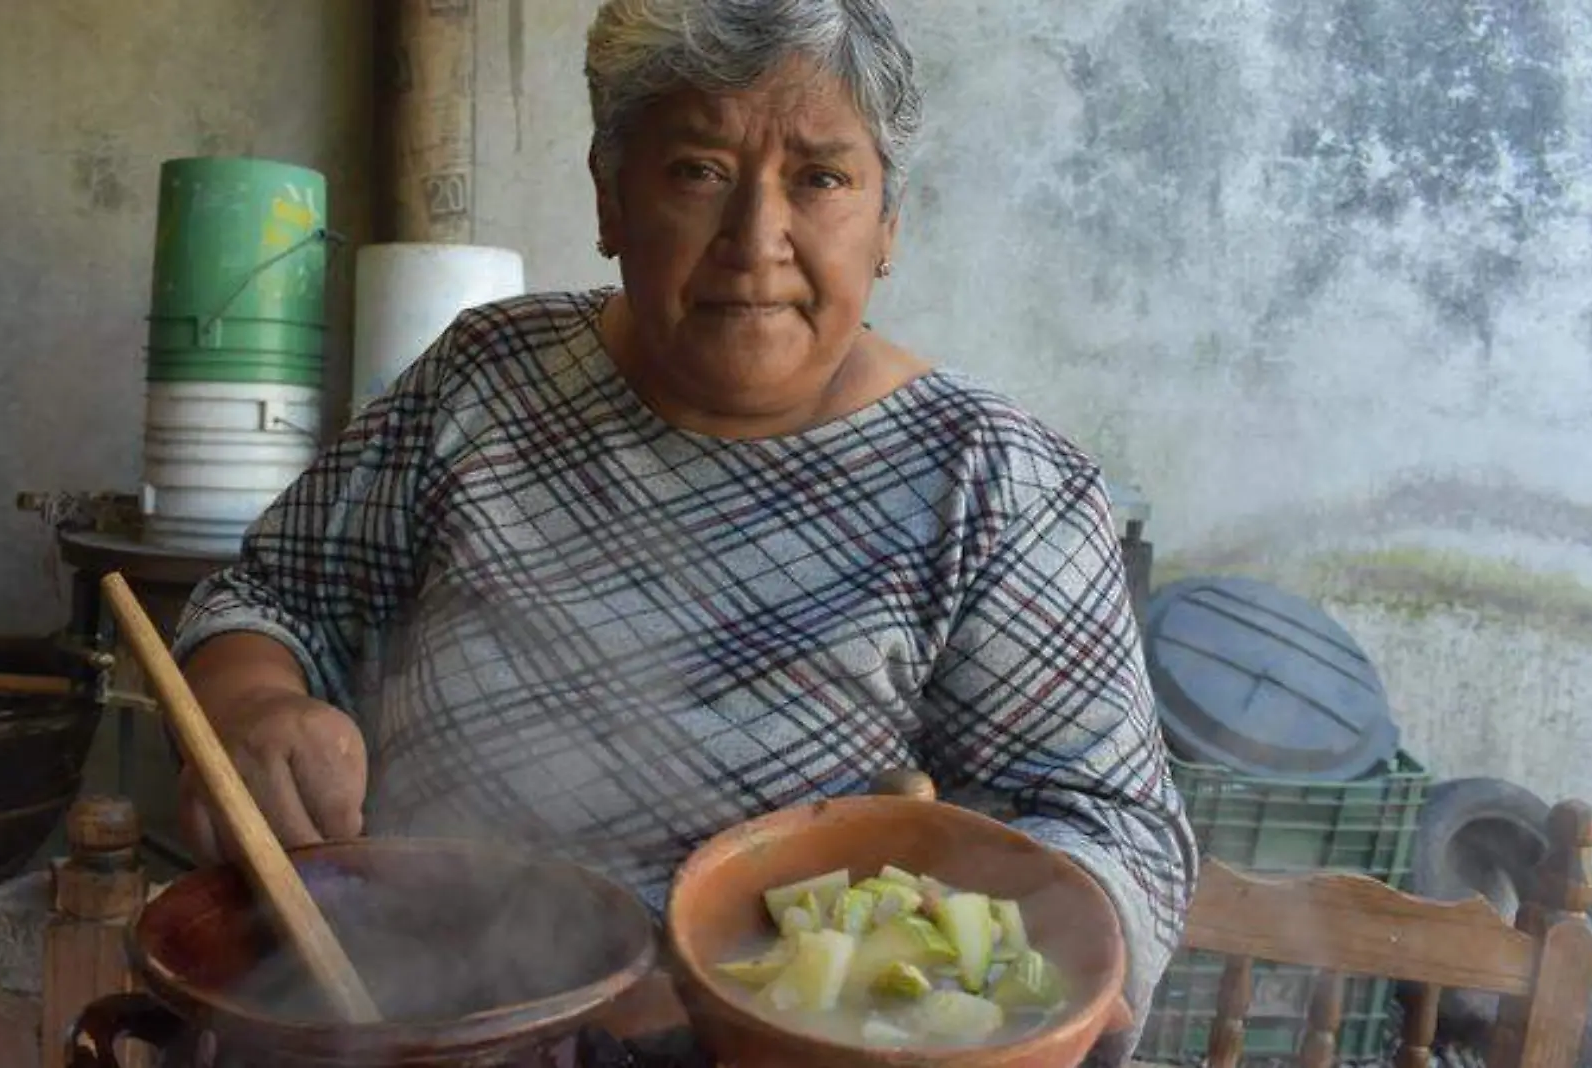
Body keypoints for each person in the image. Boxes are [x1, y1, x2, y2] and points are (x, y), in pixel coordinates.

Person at [172, 0, 1196, 1058]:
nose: (756, 241)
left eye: (822, 178)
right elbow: (271, 599)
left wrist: (860, 977)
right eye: (698, 171)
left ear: (889, 221)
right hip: (401, 1013)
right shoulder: (486, 379)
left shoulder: (993, 486)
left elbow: (1112, 830)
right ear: (611, 200)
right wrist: (250, 697)